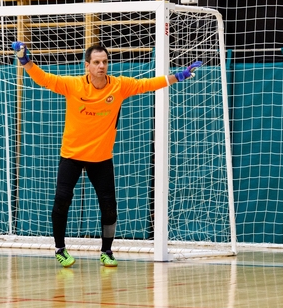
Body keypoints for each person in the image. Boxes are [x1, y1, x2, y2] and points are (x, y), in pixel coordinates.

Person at [12, 41, 200, 268]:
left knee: (109, 206)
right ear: (87, 66)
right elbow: (44, 78)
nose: (101, 66)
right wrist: (25, 60)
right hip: (71, 155)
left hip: (101, 158)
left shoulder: (119, 86)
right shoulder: (73, 85)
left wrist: (178, 76)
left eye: (104, 62)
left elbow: (148, 84)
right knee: (62, 201)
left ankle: (107, 251)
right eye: (96, 62)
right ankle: (60, 249)